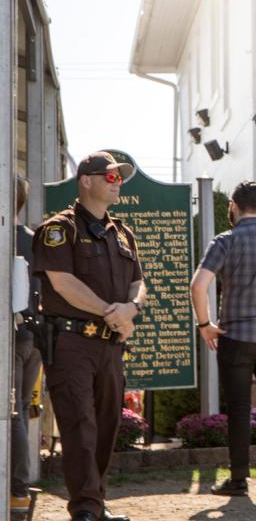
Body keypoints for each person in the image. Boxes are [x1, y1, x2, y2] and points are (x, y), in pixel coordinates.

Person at [32, 151, 144, 521]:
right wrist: (111, 312)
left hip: (110, 345)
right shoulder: (59, 229)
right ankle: (85, 508)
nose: (118, 183)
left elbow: (138, 284)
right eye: (110, 177)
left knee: (107, 424)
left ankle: (95, 502)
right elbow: (62, 283)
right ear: (86, 180)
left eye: (120, 178)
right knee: (80, 424)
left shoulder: (123, 232)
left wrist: (130, 310)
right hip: (72, 344)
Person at [190, 181, 256, 497]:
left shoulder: (225, 241)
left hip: (235, 336)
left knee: (238, 410)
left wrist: (205, 324)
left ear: (232, 205)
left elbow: (198, 285)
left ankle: (239, 480)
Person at [11, 176, 41, 515]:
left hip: (14, 337)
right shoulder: (37, 241)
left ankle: (18, 489)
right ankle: (19, 487)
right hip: (36, 338)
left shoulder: (7, 240)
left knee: (14, 411)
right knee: (20, 410)